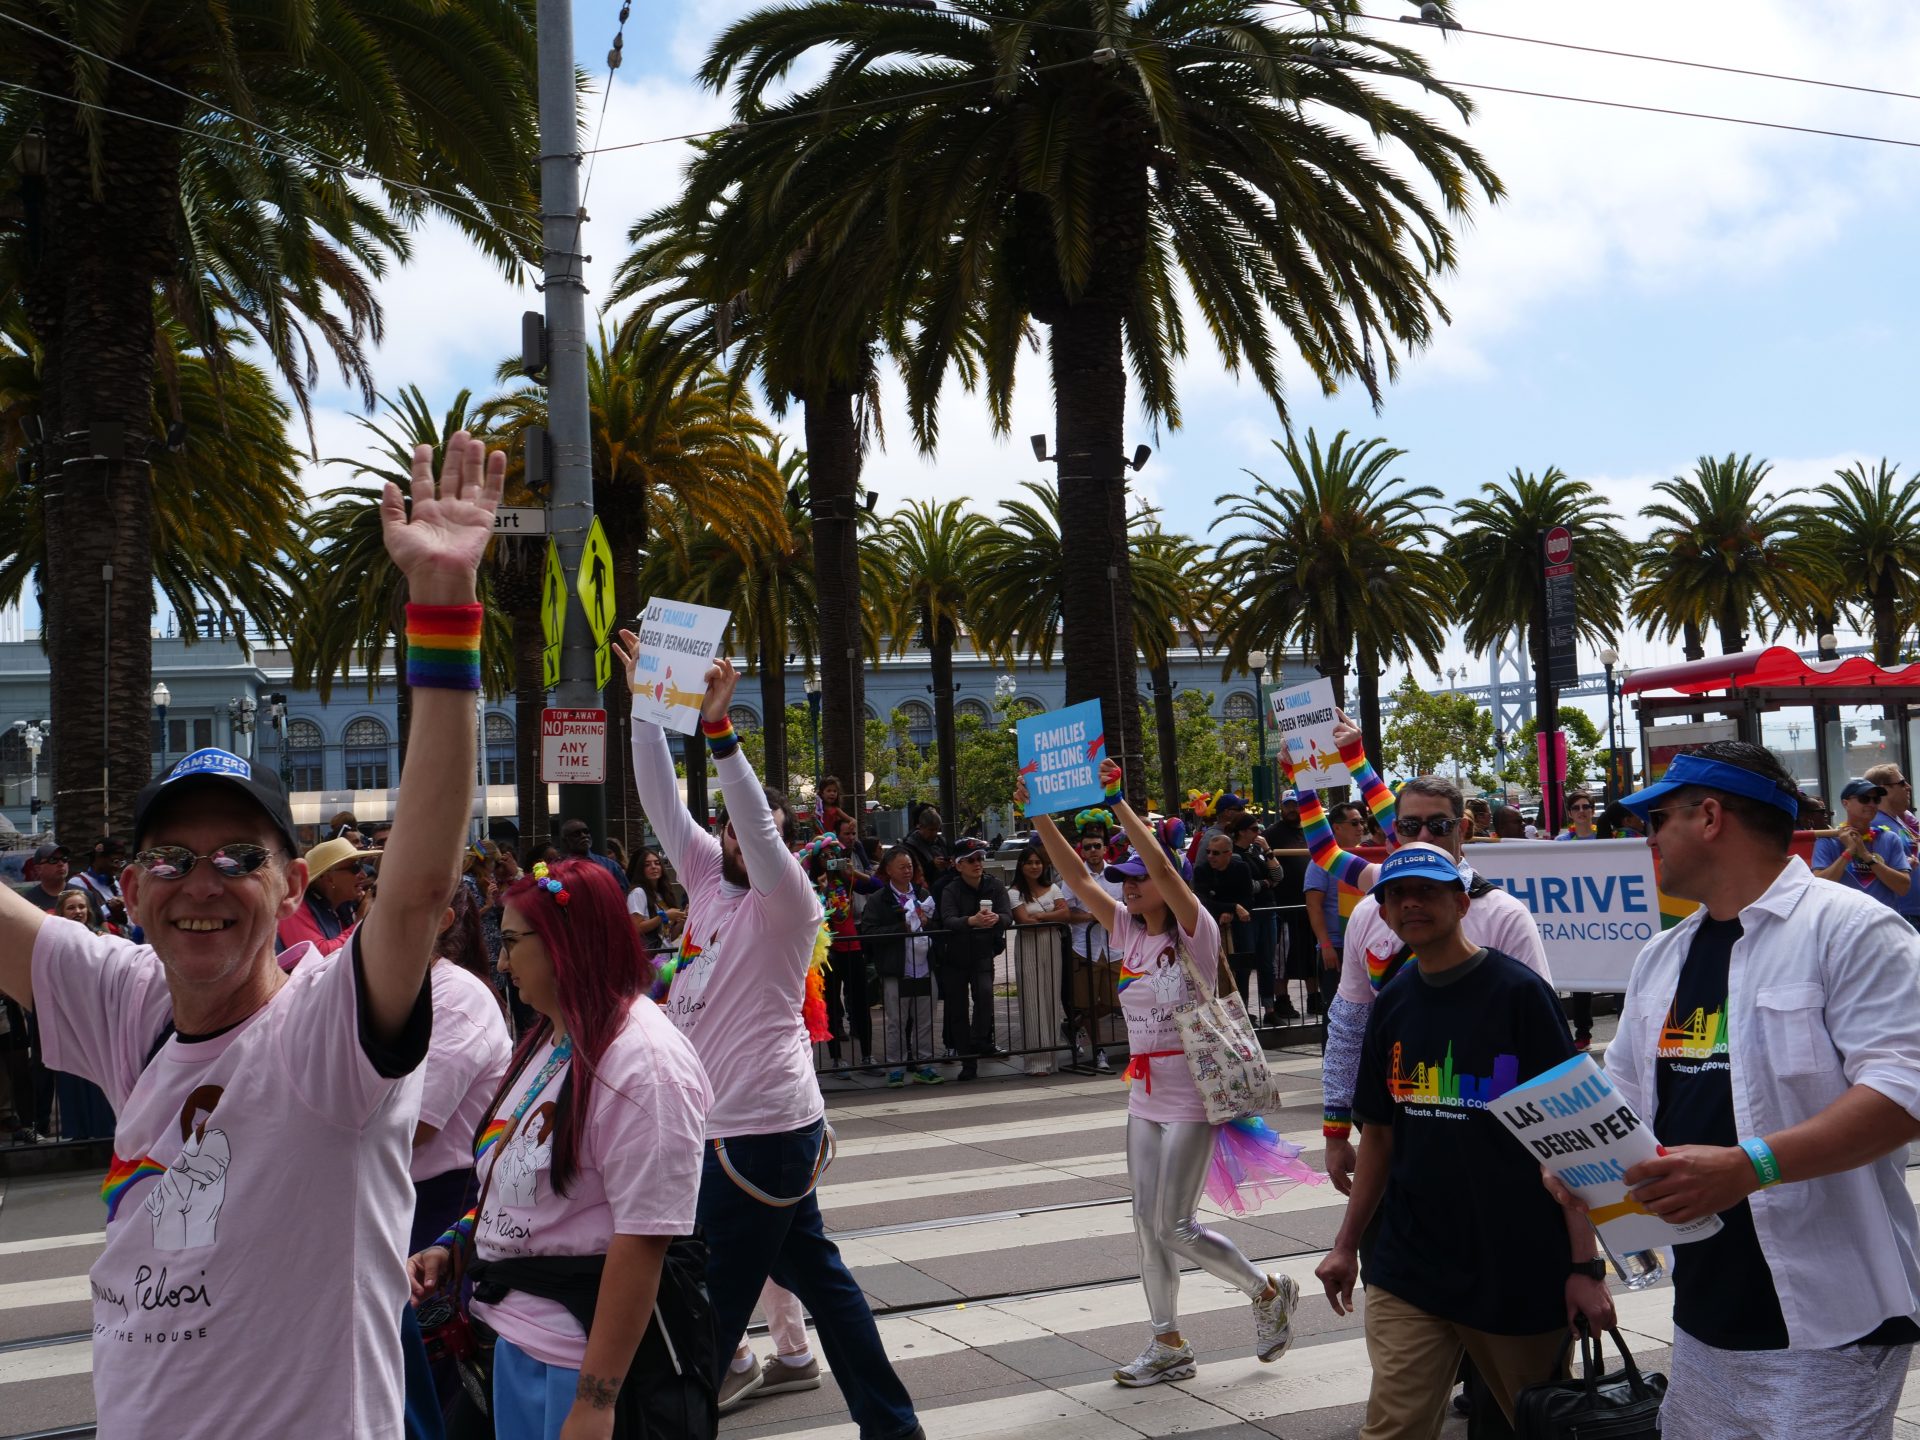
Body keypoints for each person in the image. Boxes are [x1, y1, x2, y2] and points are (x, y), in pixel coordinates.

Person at [0, 431, 503, 1434]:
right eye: (174, 859)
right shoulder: (131, 1007)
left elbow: (412, 895)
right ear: (133, 890)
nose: (204, 884)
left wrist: (444, 614)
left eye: (241, 858)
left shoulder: (324, 1041)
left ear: (287, 890)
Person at [616, 634, 926, 1440]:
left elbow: (752, 817)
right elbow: (659, 800)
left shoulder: (790, 905)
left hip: (754, 1137)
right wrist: (649, 704)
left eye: (755, 833)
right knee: (824, 1286)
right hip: (731, 1132)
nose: (734, 838)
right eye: (724, 830)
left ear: (781, 846)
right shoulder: (707, 882)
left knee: (706, 1315)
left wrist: (719, 733)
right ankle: (893, 1429)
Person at [1569, 742, 1920, 1440]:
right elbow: (1623, 1102)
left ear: (1708, 817)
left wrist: (1747, 1166)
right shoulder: (1662, 958)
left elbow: (1904, 1090)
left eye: (1657, 819)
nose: (1648, 841)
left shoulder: (1850, 929)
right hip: (1705, 1319)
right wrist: (1573, 1163)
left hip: (1832, 1321)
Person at [1018, 758, 1312, 1387]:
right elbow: (1074, 873)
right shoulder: (1126, 932)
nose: (1128, 887)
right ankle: (1167, 1341)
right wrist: (1037, 812)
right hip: (1143, 1096)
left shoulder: (1195, 932)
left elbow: (1159, 864)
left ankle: (1267, 1292)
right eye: (1122, 880)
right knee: (1145, 1223)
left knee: (1173, 1225)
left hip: (1193, 1096)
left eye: (1138, 879)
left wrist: (1119, 801)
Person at [1315, 844, 1614, 1437]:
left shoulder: (1518, 995)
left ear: (1460, 901)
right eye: (1396, 895)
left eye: (1426, 891)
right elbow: (1378, 1136)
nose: (1410, 904)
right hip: (1411, 1262)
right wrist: (1347, 1244)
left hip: (1516, 1264)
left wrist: (1585, 1266)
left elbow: (1571, 1138)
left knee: (1529, 1422)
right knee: (1393, 1427)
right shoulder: (1394, 1002)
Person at [408, 858, 712, 1440]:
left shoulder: (644, 1065)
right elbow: (528, 1184)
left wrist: (596, 1402)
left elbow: (643, 1241)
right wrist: (456, 1243)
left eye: (514, 942)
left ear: (565, 945)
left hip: (573, 1358)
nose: (500, 961)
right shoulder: (554, 1035)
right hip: (514, 1338)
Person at [1302, 722, 1552, 1195]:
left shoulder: (1502, 914)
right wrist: (1335, 1128)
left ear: (1461, 831)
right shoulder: (1374, 895)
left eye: (1438, 827)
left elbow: (1541, 1037)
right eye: (1409, 827)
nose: (1422, 836)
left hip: (1488, 1126)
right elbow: (1350, 1025)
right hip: (1392, 1119)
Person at [859, 846, 942, 1087]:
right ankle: (895, 1067)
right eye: (902, 867)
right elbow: (869, 932)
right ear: (888, 870)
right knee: (896, 1020)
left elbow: (937, 923)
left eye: (910, 866)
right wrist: (900, 929)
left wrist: (928, 921)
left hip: (925, 965)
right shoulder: (879, 899)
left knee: (925, 1018)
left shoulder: (922, 893)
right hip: (896, 968)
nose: (908, 871)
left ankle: (924, 1065)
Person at [934, 836, 1012, 1081]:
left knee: (986, 997)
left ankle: (980, 1043)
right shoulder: (951, 889)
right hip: (954, 958)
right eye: (970, 860)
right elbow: (948, 919)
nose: (977, 864)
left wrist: (996, 919)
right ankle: (968, 1061)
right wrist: (972, 921)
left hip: (982, 954)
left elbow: (1008, 915)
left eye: (980, 859)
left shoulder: (995, 886)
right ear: (958, 865)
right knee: (957, 1009)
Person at [799, 829, 876, 1071]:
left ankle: (866, 1055)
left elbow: (878, 885)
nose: (831, 859)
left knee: (861, 1003)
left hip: (853, 947)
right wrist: (820, 891)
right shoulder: (810, 886)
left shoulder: (848, 880)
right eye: (826, 856)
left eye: (835, 854)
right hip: (829, 953)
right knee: (831, 1005)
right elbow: (810, 916)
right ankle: (835, 1059)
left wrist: (855, 873)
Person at [1009, 844, 1070, 1077]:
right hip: (1028, 946)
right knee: (1033, 1000)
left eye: (1038, 862)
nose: (1034, 866)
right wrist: (1049, 916)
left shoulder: (1053, 887)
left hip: (1051, 944)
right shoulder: (1014, 892)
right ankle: (1035, 1061)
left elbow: (1065, 915)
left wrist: (1042, 915)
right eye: (1029, 862)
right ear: (1021, 866)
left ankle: (1051, 1058)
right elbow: (1024, 920)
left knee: (1051, 997)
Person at [1062, 831, 1118, 1073]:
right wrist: (1090, 916)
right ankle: (1098, 1051)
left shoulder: (1117, 874)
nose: (1093, 850)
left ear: (1104, 848)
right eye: (1088, 847)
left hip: (1116, 948)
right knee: (1087, 1005)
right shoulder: (1074, 876)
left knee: (1117, 1001)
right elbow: (1066, 911)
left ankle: (1073, 1026)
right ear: (1081, 851)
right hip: (1085, 948)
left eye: (1097, 846)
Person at [1812, 776, 1912, 910]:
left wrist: (1866, 855)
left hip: (1883, 923)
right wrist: (1848, 852)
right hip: (1843, 923)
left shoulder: (1890, 838)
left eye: (1876, 800)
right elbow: (1819, 887)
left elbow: (1903, 887)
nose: (1871, 804)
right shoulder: (1827, 841)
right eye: (1864, 799)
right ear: (1845, 803)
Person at [1303, 802, 1364, 1019]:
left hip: (1362, 946)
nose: (1361, 827)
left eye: (1362, 822)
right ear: (1336, 828)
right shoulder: (1321, 863)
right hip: (1336, 948)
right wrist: (1326, 945)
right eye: (1354, 822)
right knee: (1335, 1014)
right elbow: (1314, 905)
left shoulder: (1363, 858)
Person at [277, 834, 379, 957]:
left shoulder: (343, 904)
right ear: (329, 878)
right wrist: (360, 921)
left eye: (361, 866)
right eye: (355, 868)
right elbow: (318, 955)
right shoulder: (295, 908)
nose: (363, 875)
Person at [1231, 814, 1290, 1023]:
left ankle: (1269, 1009)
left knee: (1267, 962)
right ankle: (1243, 1010)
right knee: (1246, 964)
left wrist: (1267, 850)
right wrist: (1266, 883)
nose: (1259, 833)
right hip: (1249, 914)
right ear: (1242, 831)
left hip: (1268, 910)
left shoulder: (1258, 851)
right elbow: (1246, 885)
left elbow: (1278, 876)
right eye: (1255, 829)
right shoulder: (1235, 854)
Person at [1863, 761, 1920, 932]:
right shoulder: (1874, 825)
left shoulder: (1896, 820)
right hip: (1905, 915)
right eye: (1902, 783)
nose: (1908, 787)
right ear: (1884, 789)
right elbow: (1869, 873)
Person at [1192, 831, 1255, 979]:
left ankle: (1242, 1001)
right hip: (1212, 925)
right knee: (1212, 970)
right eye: (1208, 852)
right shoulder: (1202, 870)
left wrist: (1232, 912)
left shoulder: (1241, 868)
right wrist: (1233, 907)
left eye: (1215, 853)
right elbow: (1203, 902)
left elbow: (1248, 899)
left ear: (1228, 853)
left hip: (1239, 925)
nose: (1210, 856)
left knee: (1242, 969)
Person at [626, 847, 685, 956]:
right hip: (649, 961)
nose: (653, 867)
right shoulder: (638, 893)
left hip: (666, 960)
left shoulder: (662, 894)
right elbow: (635, 928)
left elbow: (669, 937)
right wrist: (664, 916)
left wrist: (682, 920)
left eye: (657, 863)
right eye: (647, 865)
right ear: (641, 870)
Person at [73, 836, 133, 934]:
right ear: (98, 858)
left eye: (121, 862)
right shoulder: (78, 883)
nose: (117, 867)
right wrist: (109, 908)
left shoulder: (114, 883)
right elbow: (81, 917)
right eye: (115, 861)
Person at [558, 817, 630, 894]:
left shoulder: (611, 866)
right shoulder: (558, 869)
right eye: (577, 834)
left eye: (586, 832)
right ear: (565, 841)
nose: (584, 836)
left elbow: (624, 894)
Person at [902, 805, 949, 896]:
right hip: (924, 892)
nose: (934, 833)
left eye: (936, 829)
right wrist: (932, 865)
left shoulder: (941, 841)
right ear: (921, 827)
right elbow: (911, 872)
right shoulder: (910, 846)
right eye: (931, 830)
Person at [12, 842, 69, 911]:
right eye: (53, 860)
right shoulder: (28, 901)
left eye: (64, 859)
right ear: (38, 869)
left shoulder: (82, 895)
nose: (61, 864)